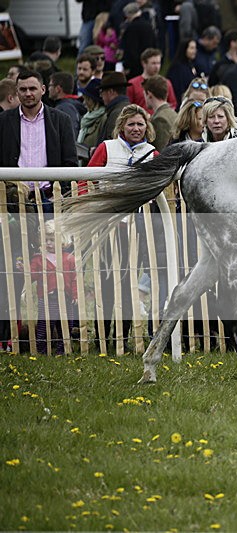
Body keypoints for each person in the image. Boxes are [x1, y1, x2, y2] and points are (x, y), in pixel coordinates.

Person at [86, 103, 159, 349]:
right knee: (106, 281)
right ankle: (101, 337)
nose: (136, 128)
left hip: (137, 225)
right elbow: (86, 179)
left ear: (146, 126)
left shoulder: (152, 153)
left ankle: (123, 336)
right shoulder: (107, 148)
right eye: (131, 124)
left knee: (130, 282)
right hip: (108, 224)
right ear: (122, 126)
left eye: (140, 124)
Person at [0, 70, 78, 212]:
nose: (28, 93)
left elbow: (70, 161)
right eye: (23, 89)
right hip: (12, 200)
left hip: (51, 198)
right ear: (17, 92)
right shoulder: (3, 121)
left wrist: (62, 194)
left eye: (32, 88)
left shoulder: (61, 120)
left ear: (43, 90)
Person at [20, 220, 78, 355]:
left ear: (62, 240)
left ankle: (62, 350)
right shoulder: (38, 259)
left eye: (52, 240)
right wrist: (25, 270)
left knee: (66, 325)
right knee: (45, 326)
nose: (49, 243)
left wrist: (75, 295)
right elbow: (33, 276)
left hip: (66, 298)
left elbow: (74, 278)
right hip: (47, 298)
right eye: (46, 240)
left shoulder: (69, 258)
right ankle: (42, 351)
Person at [127, 48, 178, 114]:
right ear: (144, 63)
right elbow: (128, 107)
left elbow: (173, 105)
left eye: (158, 63)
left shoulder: (166, 83)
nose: (157, 67)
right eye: (153, 63)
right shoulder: (132, 84)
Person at [120, 2, 156, 78]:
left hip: (135, 69)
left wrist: (126, 66)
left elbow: (130, 50)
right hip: (148, 63)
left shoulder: (131, 28)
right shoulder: (149, 26)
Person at [143, 75, 178, 151]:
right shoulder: (174, 114)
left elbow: (161, 152)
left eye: (144, 95)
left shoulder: (160, 119)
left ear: (149, 95)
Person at [96, 71, 131, 145]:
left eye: (102, 91)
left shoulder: (116, 113)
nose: (101, 96)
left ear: (111, 92)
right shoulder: (127, 108)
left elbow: (111, 145)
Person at [48, 72, 86, 139]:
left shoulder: (64, 108)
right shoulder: (74, 104)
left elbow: (70, 136)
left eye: (50, 85)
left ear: (58, 89)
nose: (48, 89)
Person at [77, 78, 105, 156]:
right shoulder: (87, 118)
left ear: (94, 101)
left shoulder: (103, 118)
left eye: (87, 99)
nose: (84, 103)